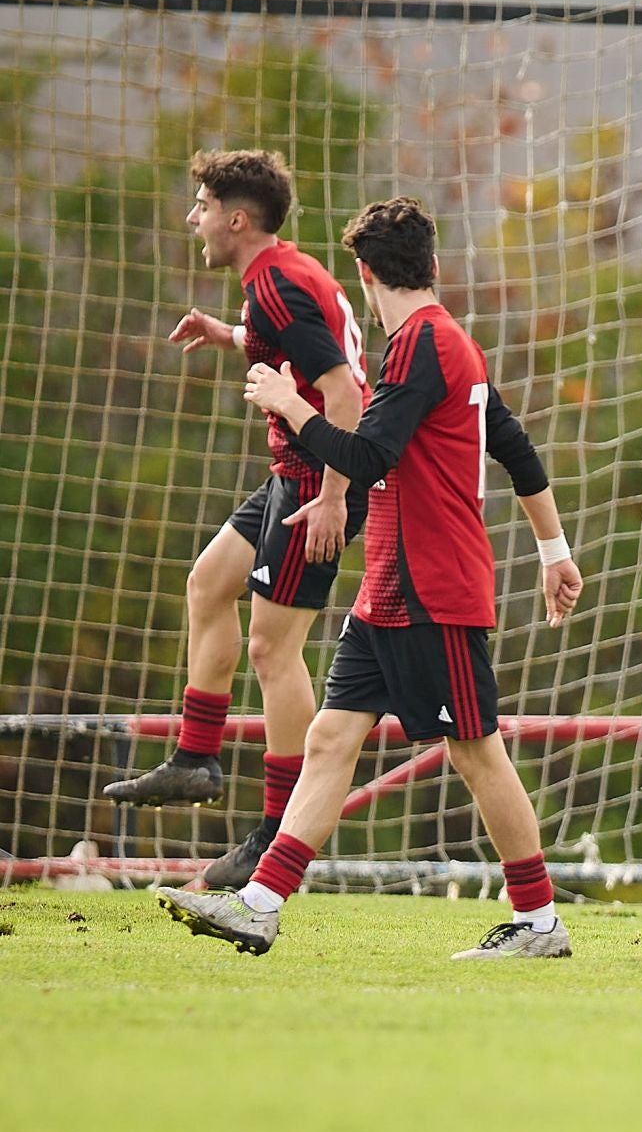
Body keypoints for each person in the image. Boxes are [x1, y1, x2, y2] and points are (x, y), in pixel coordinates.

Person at [157, 197, 585, 959]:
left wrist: (291, 405)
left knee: (476, 749)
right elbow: (514, 448)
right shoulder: (446, 343)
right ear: (432, 266)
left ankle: (540, 921)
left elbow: (367, 457)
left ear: (363, 272)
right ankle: (259, 903)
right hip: (388, 587)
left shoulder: (425, 345)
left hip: (433, 587)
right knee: (329, 738)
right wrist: (554, 553)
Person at [104, 150, 371, 891]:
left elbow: (344, 394)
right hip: (295, 472)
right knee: (208, 581)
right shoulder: (276, 274)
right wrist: (229, 334)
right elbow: (297, 341)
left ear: (236, 218)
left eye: (201, 206)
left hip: (318, 479)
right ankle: (195, 758)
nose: (194, 220)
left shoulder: (279, 284)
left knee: (272, 651)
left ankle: (278, 832)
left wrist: (335, 496)